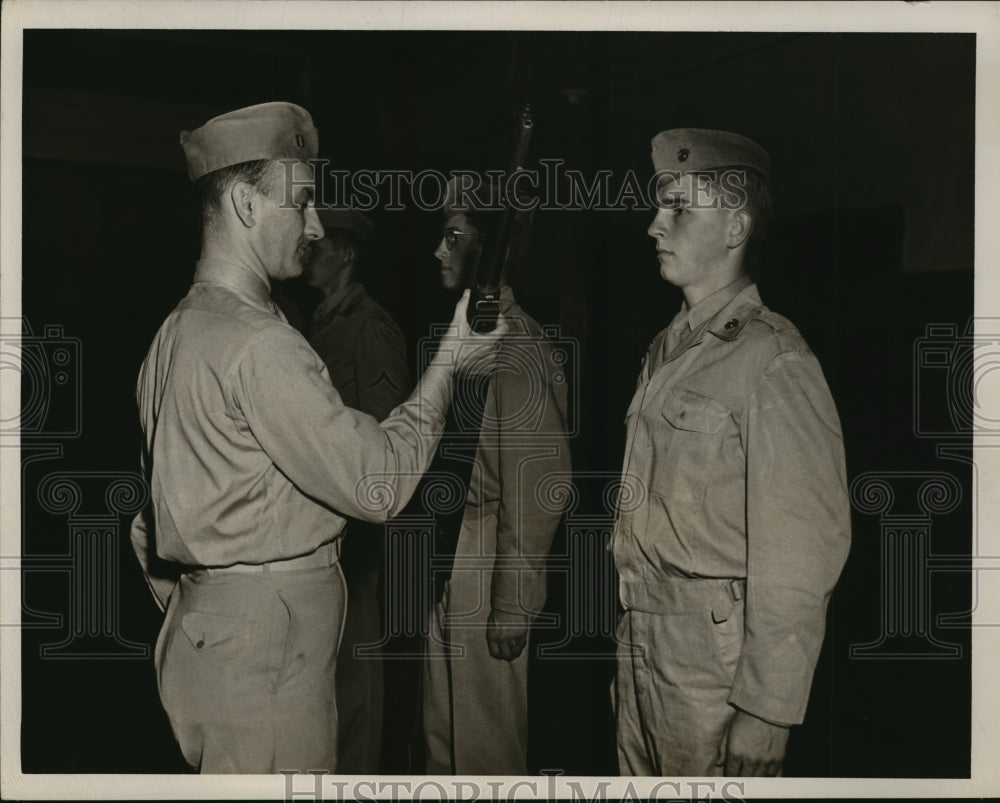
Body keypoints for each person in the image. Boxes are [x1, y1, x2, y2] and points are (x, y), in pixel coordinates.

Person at [129, 102, 504, 774]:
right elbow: (378, 483)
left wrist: (212, 605)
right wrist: (452, 358)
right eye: (300, 203)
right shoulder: (260, 343)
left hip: (212, 645)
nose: (316, 224)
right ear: (245, 204)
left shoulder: (175, 333)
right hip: (266, 666)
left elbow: (146, 526)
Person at [613, 129, 851, 777]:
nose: (655, 225)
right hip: (643, 634)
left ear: (735, 226)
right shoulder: (669, 348)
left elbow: (802, 551)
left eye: (679, 208)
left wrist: (770, 708)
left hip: (713, 659)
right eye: (660, 207)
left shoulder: (771, 359)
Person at [421, 176, 572, 775]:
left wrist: (513, 603)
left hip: (488, 555)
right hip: (449, 547)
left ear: (492, 249)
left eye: (454, 236)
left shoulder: (518, 347)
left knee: (484, 750)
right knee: (442, 738)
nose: (439, 249)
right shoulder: (467, 337)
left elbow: (539, 485)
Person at [302, 206, 412, 774]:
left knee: (356, 678)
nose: (308, 251)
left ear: (345, 255)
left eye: (320, 247)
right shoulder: (320, 321)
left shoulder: (368, 326)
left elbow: (386, 432)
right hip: (322, 528)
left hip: (357, 529)